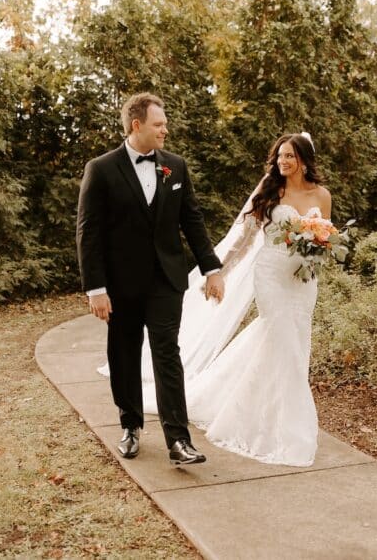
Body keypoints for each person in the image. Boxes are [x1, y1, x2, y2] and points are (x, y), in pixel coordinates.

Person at [147, 132, 332, 466]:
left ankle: (266, 408)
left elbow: (325, 239)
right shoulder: (270, 190)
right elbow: (245, 239)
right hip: (272, 275)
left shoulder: (322, 195)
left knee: (295, 344)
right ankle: (290, 429)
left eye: (289, 156)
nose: (282, 162)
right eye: (280, 156)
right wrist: (220, 270)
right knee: (283, 340)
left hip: (304, 283)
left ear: (304, 160)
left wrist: (314, 253)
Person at [76, 92, 225, 466]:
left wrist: (212, 268)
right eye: (159, 125)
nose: (165, 130)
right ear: (136, 125)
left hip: (165, 281)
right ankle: (130, 425)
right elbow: (88, 232)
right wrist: (96, 288)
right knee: (124, 355)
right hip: (121, 285)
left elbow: (192, 219)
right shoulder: (102, 169)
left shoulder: (175, 166)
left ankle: (179, 440)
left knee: (167, 355)